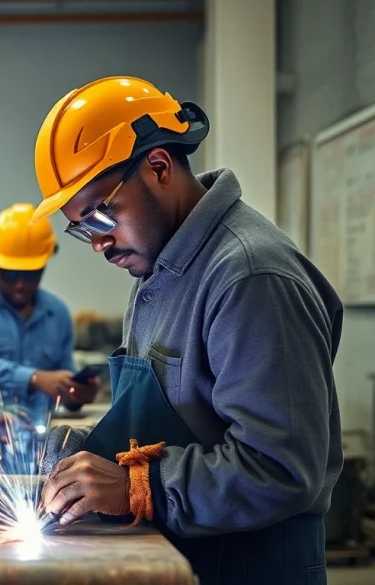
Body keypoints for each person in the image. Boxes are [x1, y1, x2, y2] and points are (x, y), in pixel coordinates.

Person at [34, 76, 343, 585]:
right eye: (80, 228)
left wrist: (138, 485)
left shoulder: (249, 276)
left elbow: (282, 470)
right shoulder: (159, 268)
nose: (98, 244)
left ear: (158, 167)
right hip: (194, 556)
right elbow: (186, 421)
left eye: (98, 215)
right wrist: (91, 449)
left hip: (251, 567)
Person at [0, 203, 98, 421]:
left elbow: (62, 379)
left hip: (42, 433)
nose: (19, 285)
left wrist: (76, 392)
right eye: (10, 274)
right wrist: (34, 378)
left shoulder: (57, 312)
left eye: (30, 275)